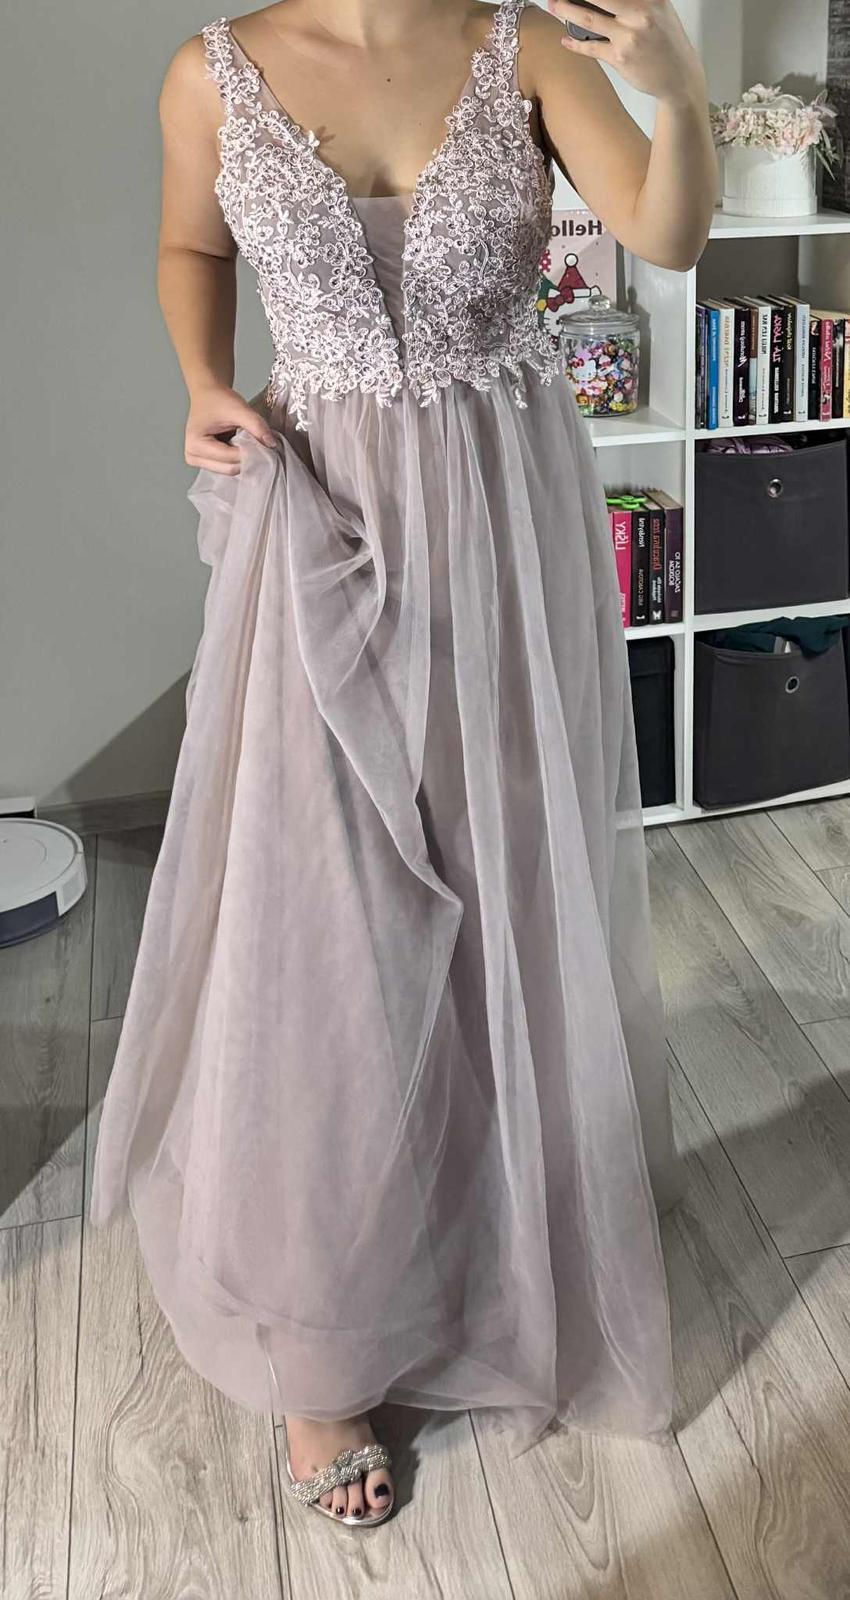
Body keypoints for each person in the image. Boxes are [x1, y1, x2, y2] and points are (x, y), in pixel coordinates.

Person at [89, 0, 716, 1530]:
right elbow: (190, 247)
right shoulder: (213, 72)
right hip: (319, 518)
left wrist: (677, 88)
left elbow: (668, 234)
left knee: (499, 883)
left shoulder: (529, 47)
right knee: (319, 916)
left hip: (500, 525)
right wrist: (202, 380)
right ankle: (321, 1333)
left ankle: (497, 1242)